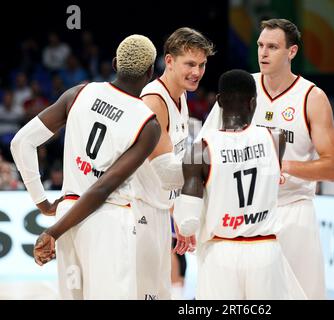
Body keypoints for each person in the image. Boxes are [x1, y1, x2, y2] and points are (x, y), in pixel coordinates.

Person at [10, 35, 183, 299]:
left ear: (115, 64)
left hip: (68, 215)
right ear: (150, 72)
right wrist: (52, 232)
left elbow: (21, 143)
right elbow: (102, 188)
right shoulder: (147, 124)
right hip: (108, 219)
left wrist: (42, 204)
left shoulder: (79, 93)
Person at [197, 18, 334, 299]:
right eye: (261, 45)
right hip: (241, 217)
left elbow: (332, 167)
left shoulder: (312, 97)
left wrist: (280, 164)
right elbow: (205, 148)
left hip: (293, 211)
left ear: (292, 52)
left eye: (272, 47)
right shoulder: (241, 86)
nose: (263, 52)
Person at [174, 69, 306, 299]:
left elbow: (187, 223)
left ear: (219, 102)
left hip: (221, 252)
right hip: (265, 251)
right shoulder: (276, 139)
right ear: (253, 102)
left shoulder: (199, 150)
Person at [131, 27, 215, 300]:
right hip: (137, 211)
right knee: (145, 293)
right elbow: (166, 173)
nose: (197, 72)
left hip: (158, 209)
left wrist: (179, 215)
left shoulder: (181, 95)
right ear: (169, 61)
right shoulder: (154, 100)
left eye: (202, 65)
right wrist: (215, 167)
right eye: (190, 64)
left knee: (162, 292)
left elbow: (175, 165)